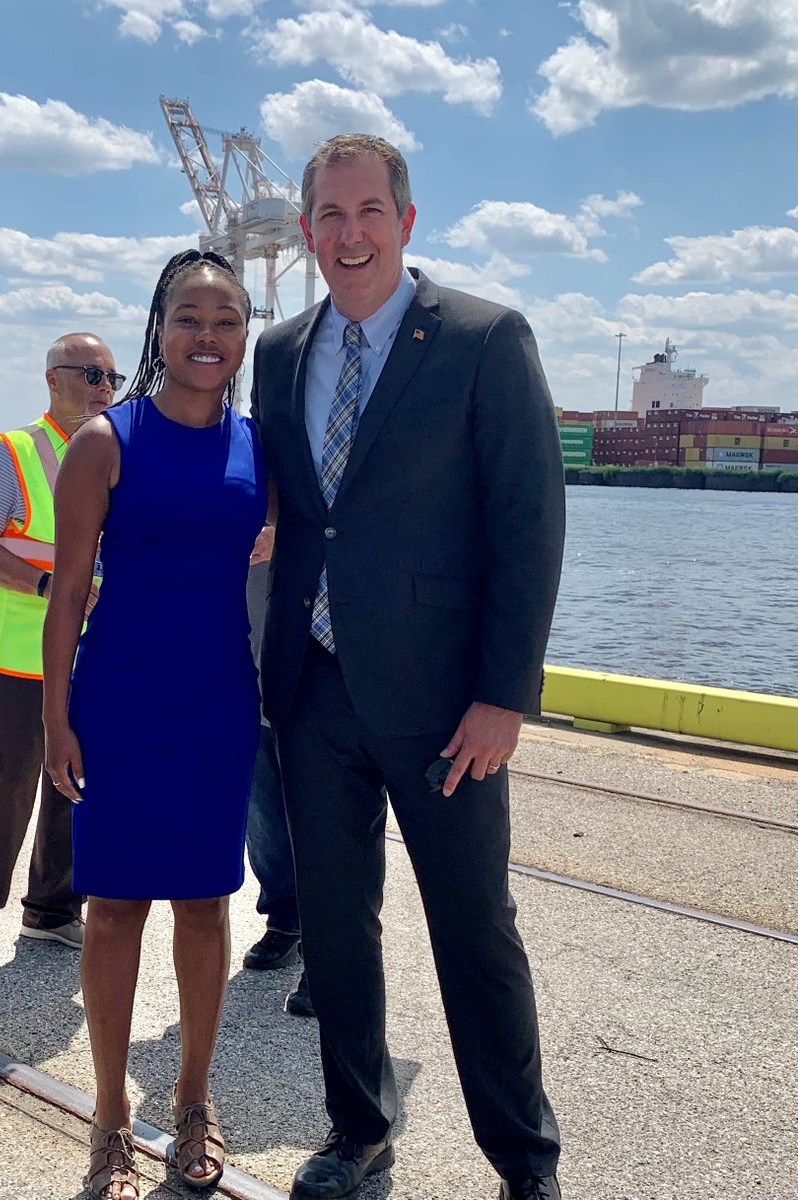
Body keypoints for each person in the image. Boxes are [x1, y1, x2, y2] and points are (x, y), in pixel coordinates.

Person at [251, 134, 566, 1200]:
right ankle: (357, 1130)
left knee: (474, 932)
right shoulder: (279, 351)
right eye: (329, 216)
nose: (349, 235)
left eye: (368, 212)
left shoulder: (482, 337)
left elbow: (527, 523)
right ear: (306, 231)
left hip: (444, 705)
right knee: (337, 934)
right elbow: (293, 513)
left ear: (406, 220)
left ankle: (524, 1161)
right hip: (312, 691)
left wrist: (503, 696)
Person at [42, 250, 269, 1198]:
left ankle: (191, 1100)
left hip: (218, 703)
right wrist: (56, 717)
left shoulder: (261, 446)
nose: (206, 337)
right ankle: (108, 1116)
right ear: (159, 329)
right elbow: (67, 595)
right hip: (121, 701)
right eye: (189, 318)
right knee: (113, 910)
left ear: (245, 335)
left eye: (225, 320)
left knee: (205, 905)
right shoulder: (106, 440)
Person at [0, 332, 122, 966]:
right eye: (92, 374)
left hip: (88, 660)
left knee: (76, 785)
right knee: (7, 785)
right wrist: (48, 585)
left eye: (112, 377)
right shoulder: (14, 452)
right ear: (53, 379)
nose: (105, 388)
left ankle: (53, 911)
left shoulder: (113, 455)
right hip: (12, 657)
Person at [242, 560, 313, 1018]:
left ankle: (332, 954)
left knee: (327, 822)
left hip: (316, 676)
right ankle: (285, 917)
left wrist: (281, 531)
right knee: (262, 813)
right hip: (244, 672)